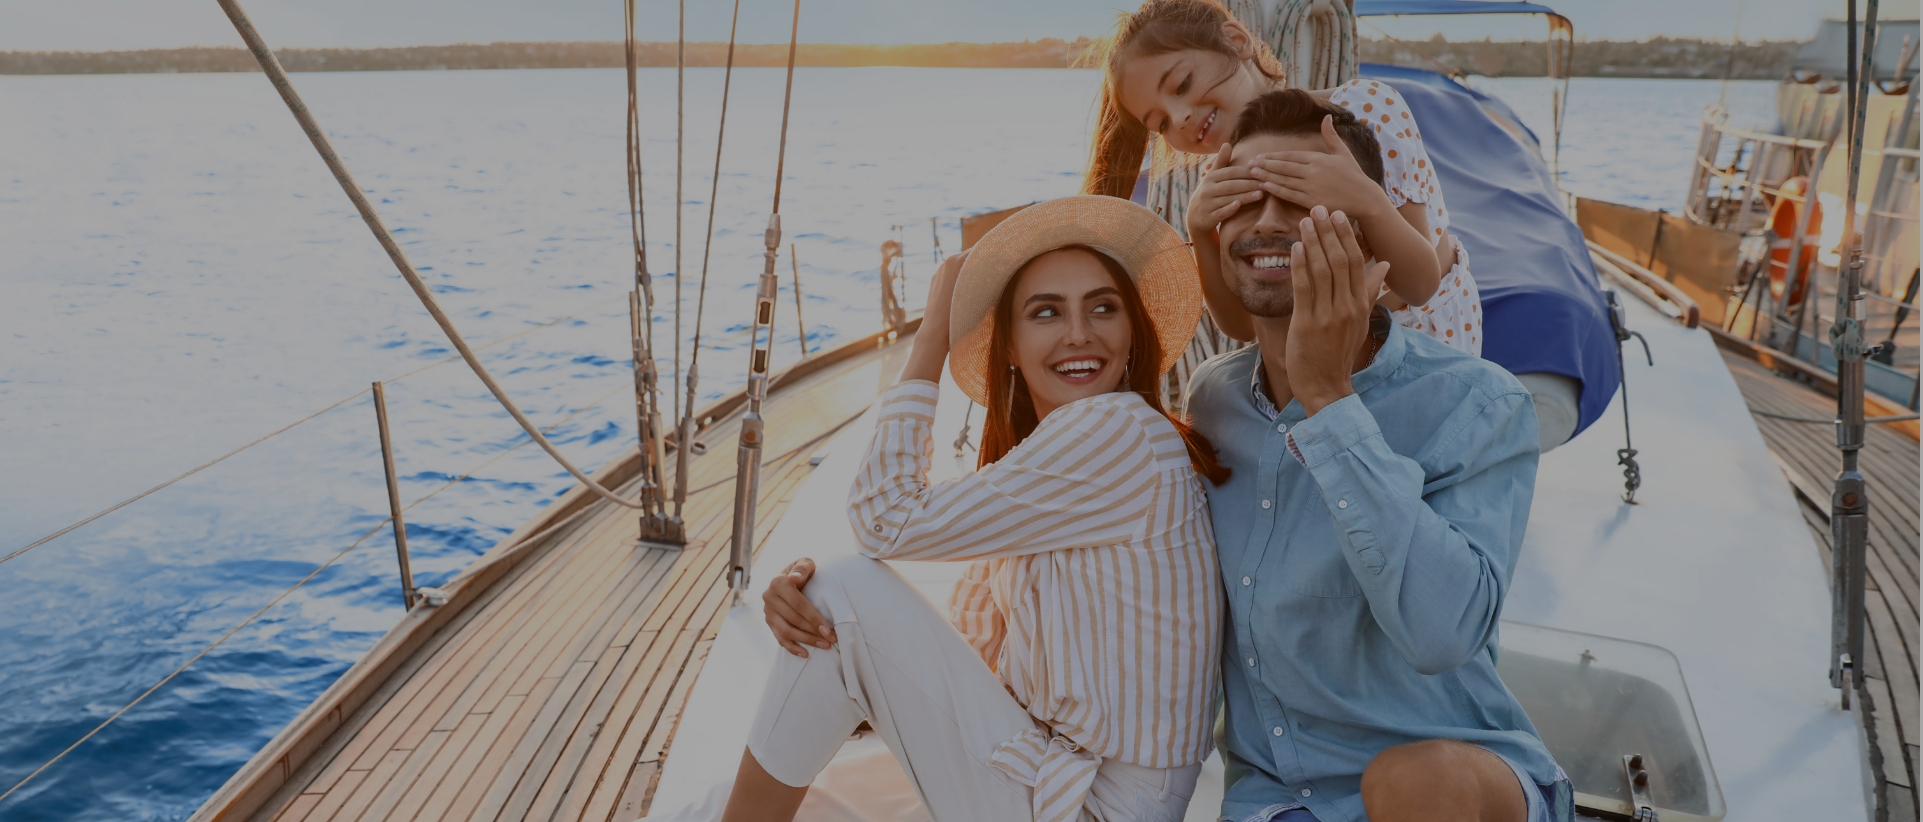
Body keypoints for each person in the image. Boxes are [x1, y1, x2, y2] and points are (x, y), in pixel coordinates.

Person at [722, 196, 1230, 822]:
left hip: (1096, 805)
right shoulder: (1047, 473)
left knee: (843, 589)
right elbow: (968, 648)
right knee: (765, 788)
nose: (1080, 333)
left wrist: (932, 331)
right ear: (1009, 345)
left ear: (1132, 332)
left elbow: (884, 517)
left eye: (1104, 307)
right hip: (1048, 778)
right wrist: (820, 625)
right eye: (1046, 312)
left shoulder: (1118, 431)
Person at [1183, 91, 1573, 822]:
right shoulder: (1213, 400)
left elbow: (1441, 636)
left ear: (1369, 235)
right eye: (1242, 197)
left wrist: (1329, 399)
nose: (1266, 221)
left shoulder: (1474, 402)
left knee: (1410, 782)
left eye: (1299, 198)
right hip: (1276, 801)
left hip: (1448, 781)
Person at [1084, 0, 1484, 357]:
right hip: (1328, 352)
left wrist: (1367, 201)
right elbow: (1242, 327)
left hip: (1425, 338)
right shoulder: (1221, 179)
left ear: (1236, 41)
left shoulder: (1366, 109)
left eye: (1182, 84)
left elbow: (1420, 285)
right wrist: (1200, 231)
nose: (1181, 118)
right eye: (1162, 123)